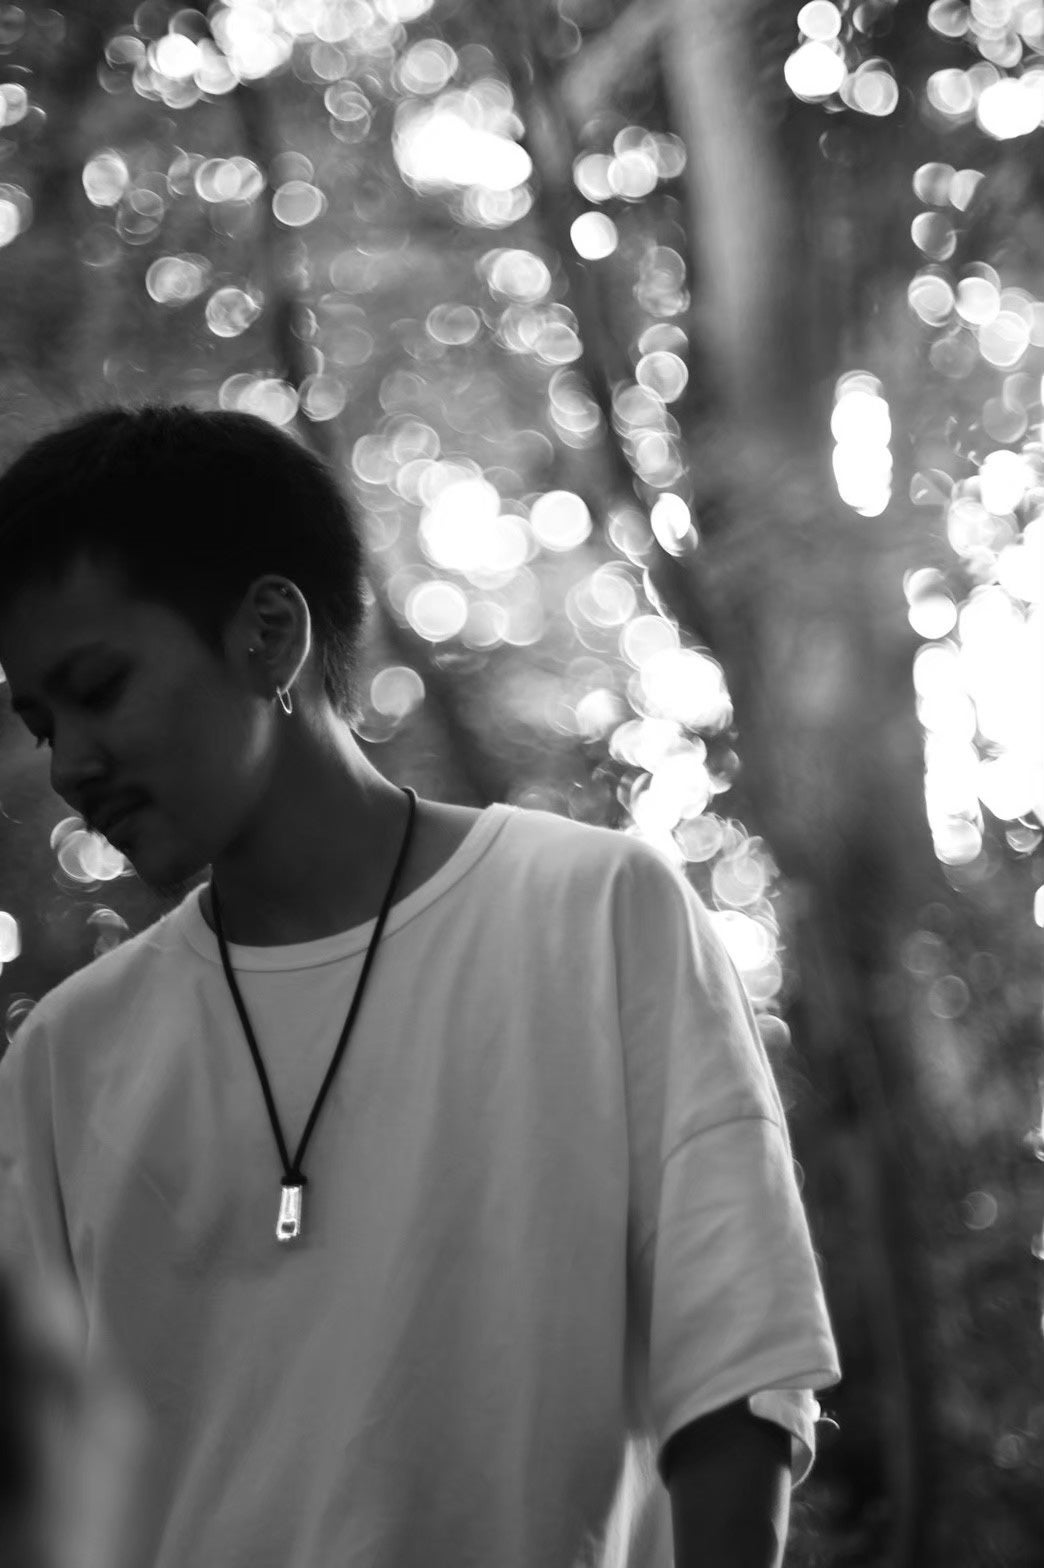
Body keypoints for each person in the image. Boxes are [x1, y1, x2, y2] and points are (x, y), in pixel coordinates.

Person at [0, 404, 840, 1568]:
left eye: (99, 689)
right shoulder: (64, 1058)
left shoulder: (594, 913)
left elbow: (737, 1382)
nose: (71, 763)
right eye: (41, 721)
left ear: (269, 635)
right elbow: (43, 1503)